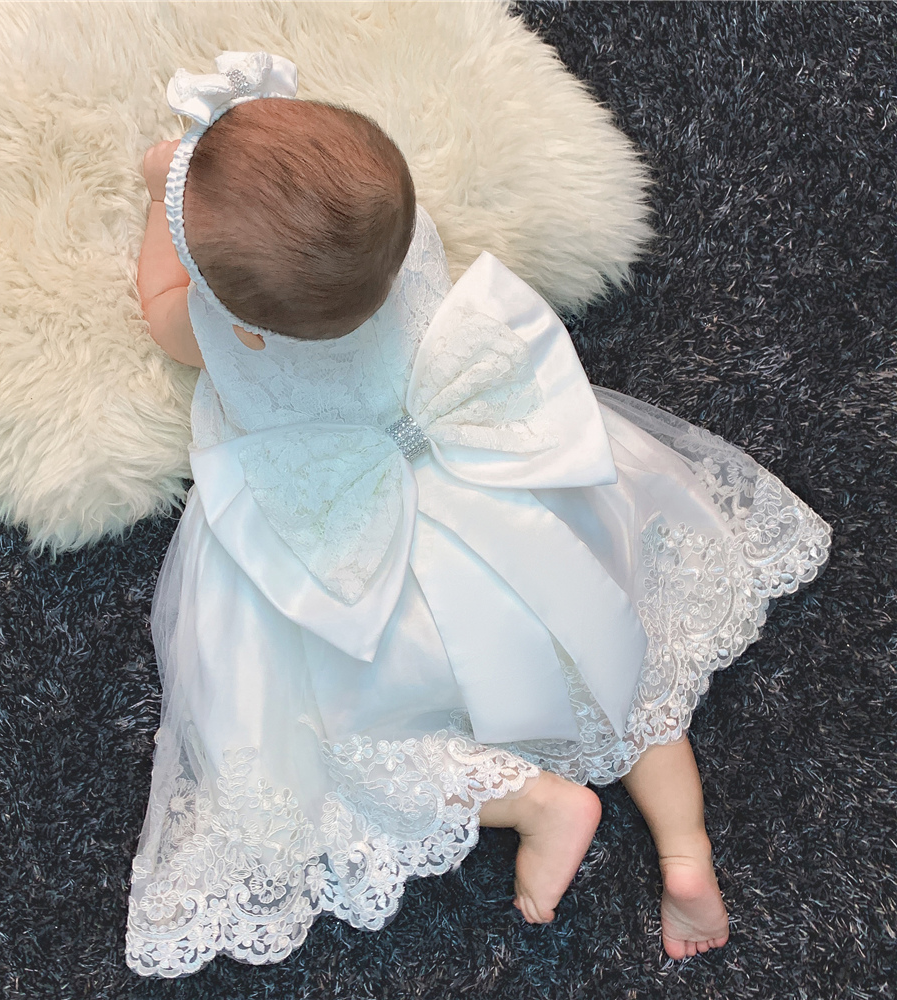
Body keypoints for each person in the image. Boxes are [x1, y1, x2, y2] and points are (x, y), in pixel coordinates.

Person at [127, 51, 830, 978]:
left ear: (237, 309)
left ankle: (535, 801)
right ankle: (687, 853)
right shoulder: (405, 242)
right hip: (506, 492)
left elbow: (159, 303)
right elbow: (329, 201)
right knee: (620, 649)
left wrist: (164, 190)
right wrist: (263, 158)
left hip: (364, 570)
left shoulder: (224, 332)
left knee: (334, 744)